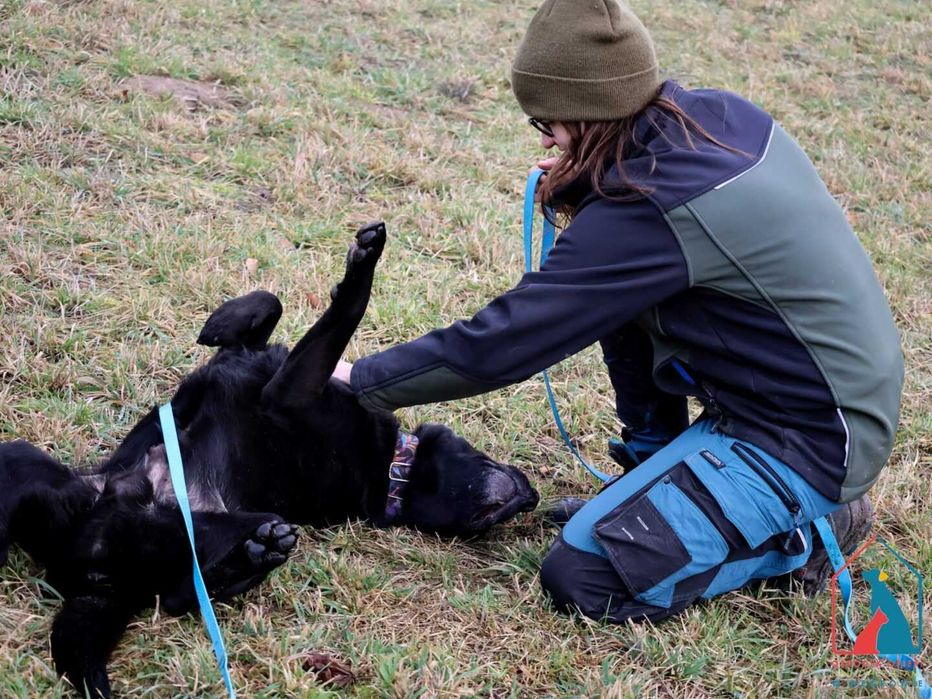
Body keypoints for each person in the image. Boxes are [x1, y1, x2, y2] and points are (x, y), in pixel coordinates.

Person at [333, 0, 903, 623]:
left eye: (546, 122)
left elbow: (505, 342)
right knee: (624, 311)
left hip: (810, 441)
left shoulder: (650, 207)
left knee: (583, 575)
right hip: (802, 398)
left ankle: (807, 537)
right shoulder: (718, 118)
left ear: (589, 110)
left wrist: (360, 384)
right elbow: (638, 250)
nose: (546, 139)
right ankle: (653, 473)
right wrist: (586, 182)